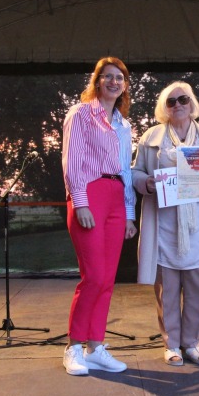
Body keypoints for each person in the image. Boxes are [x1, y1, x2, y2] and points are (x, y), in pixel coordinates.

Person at [132, 81, 199, 366]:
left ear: (192, 102)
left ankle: (192, 343)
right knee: (167, 291)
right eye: (171, 101)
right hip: (164, 226)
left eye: (183, 99)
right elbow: (135, 172)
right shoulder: (151, 137)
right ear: (164, 107)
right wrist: (146, 182)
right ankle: (171, 344)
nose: (178, 105)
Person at [61, 56, 138, 376]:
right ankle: (73, 347)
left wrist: (130, 213)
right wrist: (80, 203)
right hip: (89, 194)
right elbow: (71, 161)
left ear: (125, 85)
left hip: (117, 196)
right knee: (92, 276)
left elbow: (126, 170)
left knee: (107, 279)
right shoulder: (80, 114)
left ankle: (95, 346)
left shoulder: (124, 125)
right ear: (97, 81)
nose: (113, 81)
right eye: (107, 76)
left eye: (119, 77)